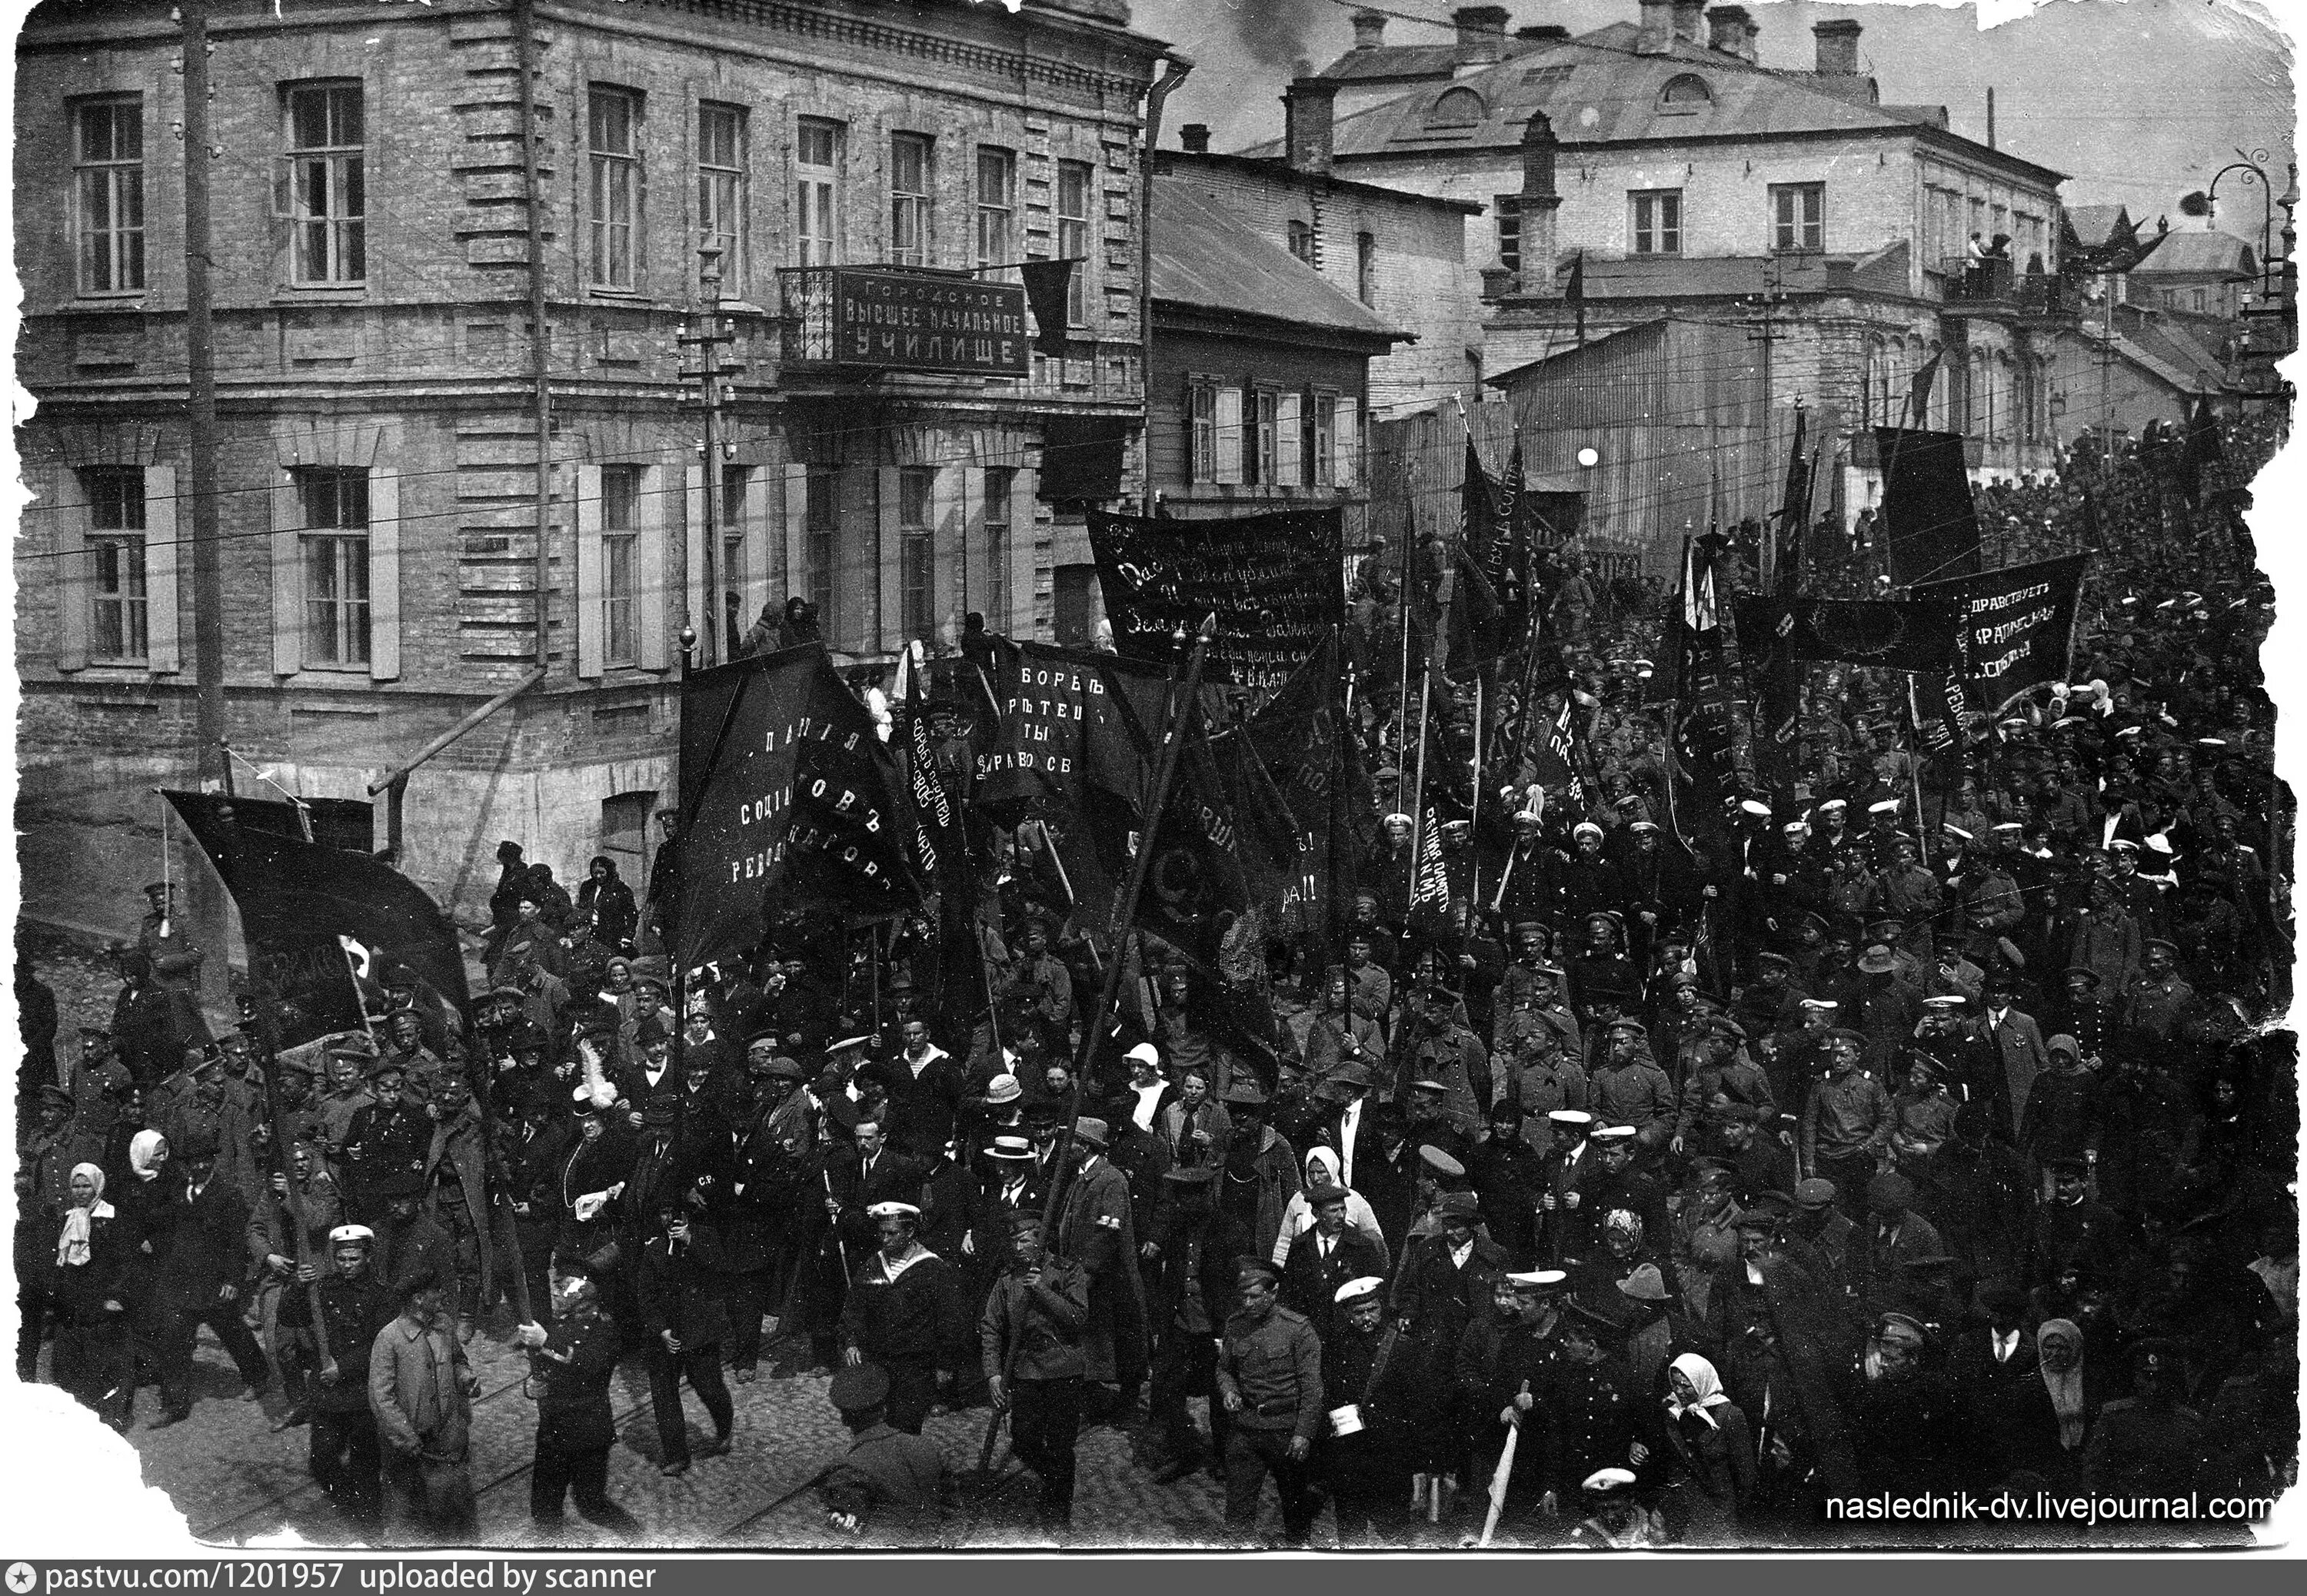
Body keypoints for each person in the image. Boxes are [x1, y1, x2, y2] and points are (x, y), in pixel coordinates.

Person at [146, 1129, 272, 1425]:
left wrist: (232, 1280)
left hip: (215, 1283)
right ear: (186, 1164)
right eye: (193, 1162)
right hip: (182, 1281)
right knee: (175, 1341)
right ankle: (175, 1404)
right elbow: (170, 1228)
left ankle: (259, 1377)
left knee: (232, 1332)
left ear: (213, 1161)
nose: (200, 1167)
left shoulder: (227, 1194)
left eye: (205, 1161)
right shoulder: (180, 1192)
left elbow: (237, 1243)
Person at [278, 1223, 398, 1534]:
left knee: (365, 1465)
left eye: (354, 1259)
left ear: (367, 1258)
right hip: (327, 1395)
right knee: (322, 1461)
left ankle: (372, 1528)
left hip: (361, 1394)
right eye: (342, 1259)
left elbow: (379, 1345)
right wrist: (296, 1287)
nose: (347, 1266)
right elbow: (290, 1317)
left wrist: (342, 1368)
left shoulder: (382, 1296)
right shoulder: (322, 1288)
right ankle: (350, 1506)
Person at [978, 1212, 1090, 1536]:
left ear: (1040, 1238)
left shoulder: (1068, 1271)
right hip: (1025, 1372)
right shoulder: (1007, 1280)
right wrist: (993, 1375)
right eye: (1013, 1241)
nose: (1017, 1247)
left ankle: (1058, 1516)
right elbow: (991, 1327)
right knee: (1024, 1442)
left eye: (1023, 1240)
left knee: (1060, 1446)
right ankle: (1055, 1484)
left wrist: (1042, 1290)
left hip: (1062, 1370)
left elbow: (1079, 1318)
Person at [521, 1272, 642, 1538]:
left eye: (562, 1288)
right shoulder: (557, 1324)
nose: (554, 1293)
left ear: (583, 1296)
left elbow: (590, 1366)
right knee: (543, 1509)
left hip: (586, 1433)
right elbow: (543, 1370)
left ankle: (636, 1539)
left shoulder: (605, 1329)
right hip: (553, 1430)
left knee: (591, 1504)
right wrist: (531, 1387)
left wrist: (545, 1342)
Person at [1215, 1259, 1324, 1548]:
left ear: (1273, 1293)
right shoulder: (1236, 1326)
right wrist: (1229, 1390)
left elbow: (1312, 1388)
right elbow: (1224, 1368)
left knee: (1295, 1509)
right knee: (1238, 1511)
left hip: (1285, 1431)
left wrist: (1304, 1433)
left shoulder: (1297, 1330)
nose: (1248, 1303)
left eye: (1255, 1296)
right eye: (1244, 1297)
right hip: (1247, 1429)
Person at [839, 1199, 970, 1436]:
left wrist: (945, 1364)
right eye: (881, 1233)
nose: (885, 1239)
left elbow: (949, 1321)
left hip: (914, 1367)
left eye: (892, 1233)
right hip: (876, 1361)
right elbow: (854, 1310)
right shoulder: (872, 1266)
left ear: (909, 1232)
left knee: (905, 1426)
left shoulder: (932, 1269)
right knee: (873, 1426)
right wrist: (851, 1342)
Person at [368, 1268, 480, 1544]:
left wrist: (465, 1378)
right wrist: (407, 1437)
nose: (442, 1295)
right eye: (436, 1291)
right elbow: (381, 1398)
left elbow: (456, 1359)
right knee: (409, 1517)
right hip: (411, 1445)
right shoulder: (390, 1338)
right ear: (418, 1299)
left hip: (447, 1437)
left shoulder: (443, 1325)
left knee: (454, 1514)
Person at [633, 1196, 737, 1475]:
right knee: (663, 1393)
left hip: (699, 1330)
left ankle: (724, 1427)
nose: (668, 1220)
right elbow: (646, 1295)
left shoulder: (704, 1237)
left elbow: (719, 1267)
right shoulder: (655, 1249)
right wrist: (661, 1329)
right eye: (663, 1212)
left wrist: (690, 1240)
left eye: (673, 1213)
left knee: (708, 1386)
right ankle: (676, 1454)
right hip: (666, 1333)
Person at [819, 1362, 956, 1544]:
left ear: (845, 1419)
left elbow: (843, 1540)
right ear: (884, 1410)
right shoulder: (926, 1445)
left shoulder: (849, 1469)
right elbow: (954, 1512)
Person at [49, 1162, 135, 1432]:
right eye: (76, 1185)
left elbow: (126, 1261)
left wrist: (116, 1295)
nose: (81, 1191)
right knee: (70, 1361)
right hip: (74, 1300)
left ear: (97, 1186)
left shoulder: (112, 1217)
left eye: (86, 1185)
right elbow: (59, 1262)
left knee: (106, 1361)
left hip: (103, 1298)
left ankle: (112, 1419)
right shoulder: (67, 1218)